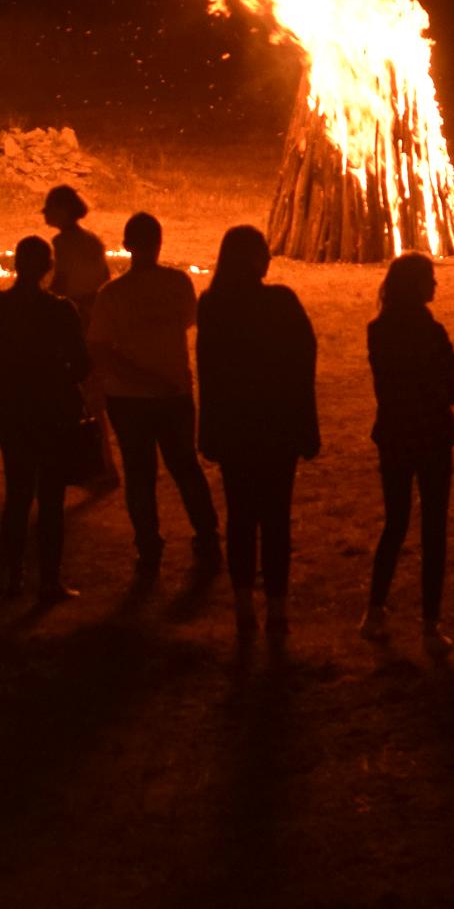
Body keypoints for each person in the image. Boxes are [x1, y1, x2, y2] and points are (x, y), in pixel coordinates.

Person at [195, 225, 320, 639]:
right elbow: (303, 366)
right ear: (251, 258)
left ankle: (244, 605)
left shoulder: (213, 305)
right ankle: (278, 608)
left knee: (241, 518)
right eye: (263, 252)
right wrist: (305, 425)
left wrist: (209, 430)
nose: (269, 259)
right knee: (276, 518)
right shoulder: (281, 303)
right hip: (277, 429)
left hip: (235, 431)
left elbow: (209, 373)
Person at [88, 211, 221, 569]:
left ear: (126, 245)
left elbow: (100, 349)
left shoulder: (112, 295)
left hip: (128, 399)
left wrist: (137, 378)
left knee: (139, 473)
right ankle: (207, 538)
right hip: (173, 393)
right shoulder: (178, 284)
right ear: (159, 243)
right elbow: (188, 320)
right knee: (185, 467)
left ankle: (148, 545)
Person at [362, 253, 454, 647]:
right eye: (430, 279)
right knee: (433, 528)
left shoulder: (379, 331)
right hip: (432, 434)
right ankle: (429, 623)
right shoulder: (431, 332)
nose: (435, 285)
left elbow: (387, 387)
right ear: (415, 286)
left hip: (394, 434)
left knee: (395, 522)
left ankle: (375, 610)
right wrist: (435, 398)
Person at [0, 235, 91, 604]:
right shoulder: (62, 310)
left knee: (17, 498)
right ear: (49, 267)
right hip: (52, 415)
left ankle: (12, 576)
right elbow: (82, 365)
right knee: (50, 500)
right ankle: (49, 580)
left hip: (14, 413)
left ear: (16, 265)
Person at [42, 187, 115, 496]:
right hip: (94, 314)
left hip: (76, 317)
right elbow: (104, 277)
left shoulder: (63, 243)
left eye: (49, 208)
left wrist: (42, 302)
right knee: (95, 391)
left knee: (79, 393)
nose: (44, 213)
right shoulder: (93, 240)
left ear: (63, 211)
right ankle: (106, 464)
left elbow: (61, 283)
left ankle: (96, 467)